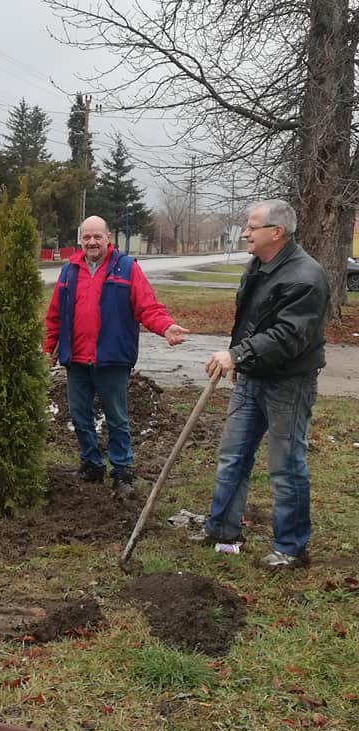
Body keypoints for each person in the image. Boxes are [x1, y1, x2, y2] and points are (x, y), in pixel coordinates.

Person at [202, 199, 329, 569]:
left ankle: (290, 548)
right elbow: (249, 321)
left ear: (277, 232)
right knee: (233, 456)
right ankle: (222, 529)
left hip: (289, 384)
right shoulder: (259, 266)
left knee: (285, 465)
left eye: (251, 226)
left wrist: (239, 355)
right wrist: (241, 358)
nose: (244, 232)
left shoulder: (307, 276)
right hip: (252, 378)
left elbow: (289, 336)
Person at [44, 216, 188, 493]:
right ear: (80, 240)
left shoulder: (126, 268)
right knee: (79, 416)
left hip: (112, 359)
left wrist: (166, 327)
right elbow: (55, 316)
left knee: (117, 418)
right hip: (76, 359)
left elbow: (148, 307)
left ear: (108, 237)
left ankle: (122, 469)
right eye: (86, 237)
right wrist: (47, 348)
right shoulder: (69, 271)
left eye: (97, 236)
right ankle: (92, 464)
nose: (92, 242)